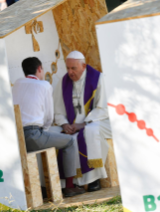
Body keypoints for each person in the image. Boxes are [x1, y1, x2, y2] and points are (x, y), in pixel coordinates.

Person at [12, 57, 86, 197]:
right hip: (34, 135)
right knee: (69, 141)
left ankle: (43, 185)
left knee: (53, 135)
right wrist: (44, 130)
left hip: (18, 137)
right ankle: (69, 186)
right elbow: (49, 117)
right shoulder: (45, 85)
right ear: (39, 69)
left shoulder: (17, 83)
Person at [53, 51, 112, 192]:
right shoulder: (63, 82)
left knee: (90, 132)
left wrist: (84, 123)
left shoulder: (97, 79)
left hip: (98, 120)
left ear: (83, 65)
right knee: (60, 136)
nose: (70, 72)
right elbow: (58, 109)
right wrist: (64, 124)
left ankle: (94, 179)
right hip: (73, 125)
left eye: (73, 68)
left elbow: (103, 108)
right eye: (68, 68)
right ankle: (73, 182)